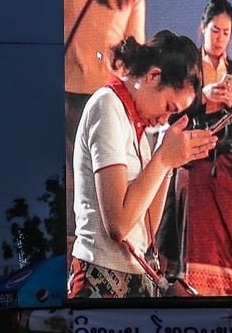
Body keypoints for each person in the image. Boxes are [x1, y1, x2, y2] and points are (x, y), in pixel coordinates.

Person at [68, 31, 213, 298]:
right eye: (169, 106)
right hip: (99, 276)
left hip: (133, 278)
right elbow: (119, 226)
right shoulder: (107, 105)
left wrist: (169, 164)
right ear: (153, 76)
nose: (164, 119)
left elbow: (146, 232)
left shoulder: (140, 134)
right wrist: (162, 159)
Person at [161, 0, 232, 296]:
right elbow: (174, 112)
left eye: (226, 32)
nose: (220, 39)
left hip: (223, 165)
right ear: (202, 29)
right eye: (215, 30)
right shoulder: (191, 67)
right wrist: (203, 95)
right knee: (196, 241)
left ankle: (229, 304)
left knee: (231, 243)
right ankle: (192, 300)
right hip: (194, 162)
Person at [64, 0, 146, 249]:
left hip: (66, 92)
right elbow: (135, 50)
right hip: (106, 99)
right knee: (101, 185)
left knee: (68, 186)